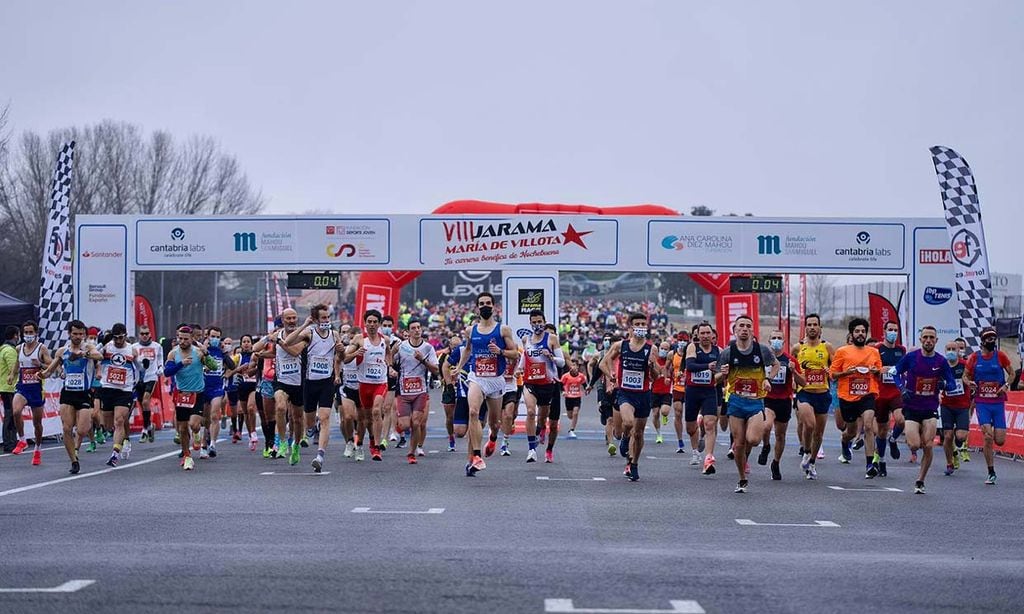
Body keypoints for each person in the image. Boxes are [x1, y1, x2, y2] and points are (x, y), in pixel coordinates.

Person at [453, 292, 519, 476]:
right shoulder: (470, 330)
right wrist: (459, 368)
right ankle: (475, 456)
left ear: (494, 306)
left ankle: (492, 438)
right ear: (477, 307)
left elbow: (515, 354)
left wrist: (500, 351)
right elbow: (467, 350)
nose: (485, 306)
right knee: (473, 412)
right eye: (481, 304)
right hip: (477, 377)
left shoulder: (503, 330)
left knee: (495, 423)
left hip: (496, 380)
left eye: (488, 303)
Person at [893, 326, 958, 493]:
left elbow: (951, 383)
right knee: (914, 445)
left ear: (936, 341)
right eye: (925, 337)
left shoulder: (941, 361)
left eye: (931, 338)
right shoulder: (911, 358)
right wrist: (902, 389)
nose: (928, 340)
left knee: (928, 445)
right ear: (921, 340)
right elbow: (895, 373)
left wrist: (944, 385)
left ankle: (920, 480)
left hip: (930, 407)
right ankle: (911, 443)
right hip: (912, 407)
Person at [719, 315, 779, 493]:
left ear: (753, 330)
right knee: (738, 444)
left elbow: (775, 365)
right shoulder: (727, 352)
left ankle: (746, 456)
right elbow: (715, 378)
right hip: (736, 401)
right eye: (741, 326)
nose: (744, 329)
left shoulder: (762, 350)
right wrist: (722, 374)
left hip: (755, 401)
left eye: (748, 326)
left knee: (752, 439)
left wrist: (768, 379)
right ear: (735, 330)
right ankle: (742, 477)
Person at [600, 312, 661, 482]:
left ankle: (633, 464)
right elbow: (603, 363)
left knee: (639, 433)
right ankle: (625, 439)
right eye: (638, 324)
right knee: (627, 423)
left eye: (643, 324)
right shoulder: (621, 345)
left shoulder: (651, 349)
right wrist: (611, 375)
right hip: (625, 392)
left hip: (643, 394)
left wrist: (651, 366)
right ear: (631, 327)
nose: (641, 327)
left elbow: (656, 376)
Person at [283, 304, 343, 473]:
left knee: (324, 418)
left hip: (326, 383)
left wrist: (342, 350)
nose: (327, 320)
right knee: (309, 422)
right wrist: (304, 325)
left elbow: (342, 357)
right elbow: (288, 342)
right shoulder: (309, 333)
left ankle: (320, 456)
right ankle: (310, 429)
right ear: (316, 320)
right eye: (323, 318)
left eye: (328, 317)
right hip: (310, 383)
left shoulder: (335, 335)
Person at [40, 320, 102, 474]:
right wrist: (41, 374)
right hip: (68, 393)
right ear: (69, 333)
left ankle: (80, 444)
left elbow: (99, 356)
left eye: (81, 334)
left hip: (84, 393)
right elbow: (49, 370)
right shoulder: (62, 351)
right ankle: (74, 460)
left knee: (82, 429)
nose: (78, 337)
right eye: (75, 334)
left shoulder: (88, 347)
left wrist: (84, 353)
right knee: (66, 428)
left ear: (84, 335)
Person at [830, 318, 883, 480]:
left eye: (863, 331)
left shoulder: (874, 352)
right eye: (857, 331)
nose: (860, 334)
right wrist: (846, 373)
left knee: (868, 426)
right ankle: (845, 442)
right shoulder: (842, 351)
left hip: (867, 395)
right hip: (847, 397)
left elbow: (880, 374)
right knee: (851, 432)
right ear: (852, 334)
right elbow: (832, 375)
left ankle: (869, 465)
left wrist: (876, 371)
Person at [965, 326, 1014, 485]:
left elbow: (1012, 373)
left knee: (999, 441)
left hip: (998, 402)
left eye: (994, 338)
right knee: (987, 437)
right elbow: (964, 376)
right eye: (989, 339)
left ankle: (992, 432)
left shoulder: (1000, 356)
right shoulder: (974, 357)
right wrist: (969, 382)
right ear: (983, 341)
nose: (992, 341)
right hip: (982, 402)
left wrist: (1006, 385)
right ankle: (991, 471)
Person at [344, 309, 394, 462]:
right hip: (364, 384)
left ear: (379, 324)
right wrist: (356, 353)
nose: (372, 325)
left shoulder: (385, 340)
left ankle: (377, 448)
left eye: (374, 322)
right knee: (365, 419)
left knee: (377, 411)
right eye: (369, 322)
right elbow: (345, 359)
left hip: (380, 383)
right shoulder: (359, 339)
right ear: (365, 323)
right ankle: (367, 442)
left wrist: (390, 367)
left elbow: (388, 354)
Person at [163, 326, 213, 471]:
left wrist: (207, 353)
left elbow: (214, 366)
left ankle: (197, 434)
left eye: (186, 339)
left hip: (197, 393)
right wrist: (181, 364)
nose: (183, 341)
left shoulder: (198, 353)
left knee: (194, 425)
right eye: (180, 338)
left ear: (191, 339)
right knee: (183, 428)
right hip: (182, 394)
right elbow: (167, 372)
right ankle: (187, 456)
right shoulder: (173, 354)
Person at [794, 314, 835, 480]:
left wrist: (829, 372)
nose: (812, 327)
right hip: (805, 393)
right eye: (809, 324)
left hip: (822, 394)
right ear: (805, 328)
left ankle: (811, 462)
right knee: (809, 424)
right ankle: (806, 450)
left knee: (818, 433)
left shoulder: (828, 347)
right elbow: (791, 368)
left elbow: (835, 372)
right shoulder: (797, 348)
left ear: (820, 328)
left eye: (815, 324)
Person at [520, 310, 564, 463]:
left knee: (545, 419)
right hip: (530, 381)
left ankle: (549, 449)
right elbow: (524, 357)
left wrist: (551, 356)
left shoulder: (552, 339)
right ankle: (531, 449)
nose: (537, 325)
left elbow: (562, 362)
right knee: (531, 412)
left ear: (544, 322)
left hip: (547, 383)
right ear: (530, 323)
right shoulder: (526, 339)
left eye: (540, 322)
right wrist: (519, 368)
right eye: (534, 322)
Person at [393, 319, 438, 464]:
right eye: (414, 328)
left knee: (416, 423)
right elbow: (391, 363)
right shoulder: (402, 347)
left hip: (421, 391)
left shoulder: (428, 348)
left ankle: (411, 453)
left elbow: (436, 370)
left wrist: (423, 360)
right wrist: (391, 356)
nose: (417, 330)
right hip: (404, 392)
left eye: (419, 327)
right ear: (408, 331)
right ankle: (401, 432)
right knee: (405, 425)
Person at [762, 329, 804, 480]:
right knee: (766, 426)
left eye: (779, 338)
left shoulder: (790, 360)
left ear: (784, 342)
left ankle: (776, 463)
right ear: (769, 341)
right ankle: (766, 445)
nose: (776, 340)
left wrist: (794, 372)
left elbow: (803, 383)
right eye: (773, 338)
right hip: (768, 399)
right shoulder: (763, 358)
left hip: (784, 400)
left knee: (780, 435)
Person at [10, 321, 53, 464]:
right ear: (22, 334)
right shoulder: (18, 348)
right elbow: (17, 362)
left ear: (36, 333)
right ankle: (22, 440)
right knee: (16, 411)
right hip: (23, 386)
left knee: (37, 423)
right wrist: (12, 375)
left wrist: (39, 364)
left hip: (36, 389)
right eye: (26, 332)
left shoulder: (42, 349)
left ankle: (38, 449)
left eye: (30, 332)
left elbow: (51, 365)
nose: (28, 335)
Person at [685, 323, 722, 475]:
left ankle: (708, 458)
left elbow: (719, 372)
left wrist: (720, 375)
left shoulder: (718, 351)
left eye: (708, 333)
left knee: (710, 424)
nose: (706, 336)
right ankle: (695, 452)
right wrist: (708, 366)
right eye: (703, 333)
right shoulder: (692, 347)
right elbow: (690, 366)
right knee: (690, 428)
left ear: (712, 335)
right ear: (698, 335)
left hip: (709, 391)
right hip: (693, 391)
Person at [873, 321, 906, 472]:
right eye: (890, 330)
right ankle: (881, 460)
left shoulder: (901, 350)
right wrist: (880, 369)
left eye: (895, 330)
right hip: (881, 393)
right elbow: (871, 368)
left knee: (901, 419)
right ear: (884, 331)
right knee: (881, 430)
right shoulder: (877, 349)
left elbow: (906, 368)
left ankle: (893, 439)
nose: (893, 332)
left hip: (896, 391)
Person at [939, 340, 970, 476]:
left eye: (954, 349)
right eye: (948, 349)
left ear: (959, 351)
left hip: (962, 406)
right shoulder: (941, 366)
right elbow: (936, 382)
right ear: (945, 352)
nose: (951, 352)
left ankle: (957, 446)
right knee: (947, 436)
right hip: (947, 405)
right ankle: (949, 463)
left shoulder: (965, 365)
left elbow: (972, 378)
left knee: (961, 436)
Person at [132, 325, 164, 444]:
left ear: (150, 334)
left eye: (147, 333)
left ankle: (144, 430)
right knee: (142, 404)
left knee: (146, 401)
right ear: (139, 335)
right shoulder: (134, 347)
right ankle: (150, 425)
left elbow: (160, 359)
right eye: (142, 334)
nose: (145, 336)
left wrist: (160, 368)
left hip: (151, 376)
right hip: (139, 378)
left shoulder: (157, 346)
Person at [650, 340, 674, 446]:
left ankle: (665, 415)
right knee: (655, 414)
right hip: (655, 390)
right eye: (662, 348)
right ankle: (659, 434)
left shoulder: (671, 362)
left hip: (666, 390)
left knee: (664, 411)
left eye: (666, 349)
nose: (663, 351)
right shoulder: (655, 360)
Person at [1, 325, 19, 453]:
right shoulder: (10, 351)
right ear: (15, 336)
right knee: (11, 415)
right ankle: (9, 442)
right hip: (9, 387)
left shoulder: (3, 349)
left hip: (6, 386)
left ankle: (11, 440)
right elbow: (14, 368)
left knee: (11, 414)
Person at [561, 359, 587, 440]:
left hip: (577, 396)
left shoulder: (581, 376)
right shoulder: (565, 376)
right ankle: (572, 420)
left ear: (578, 367)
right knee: (570, 415)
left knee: (575, 413)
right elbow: (561, 384)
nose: (573, 367)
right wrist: (563, 391)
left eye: (575, 365)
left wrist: (587, 389)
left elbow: (584, 384)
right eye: (572, 365)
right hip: (568, 397)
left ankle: (571, 430)